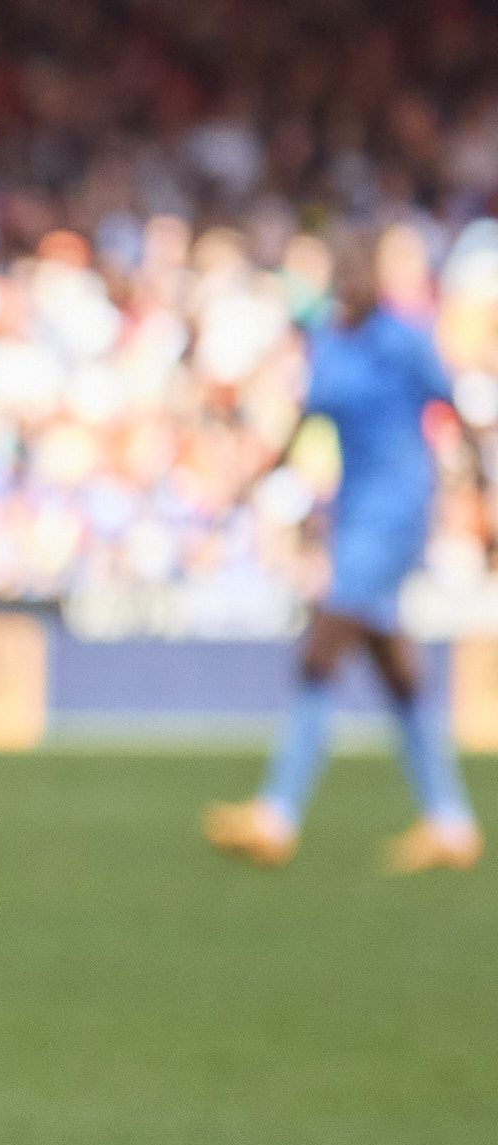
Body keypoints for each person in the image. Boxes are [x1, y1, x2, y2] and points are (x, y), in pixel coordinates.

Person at [205, 236, 485, 874]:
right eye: (346, 272)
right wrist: (260, 479)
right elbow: (308, 419)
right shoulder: (329, 341)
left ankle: (277, 813)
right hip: (353, 515)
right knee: (396, 672)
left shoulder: (406, 339)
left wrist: (485, 488)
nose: (354, 283)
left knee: (321, 651)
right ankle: (450, 821)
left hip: (396, 515)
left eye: (364, 271)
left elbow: (454, 408)